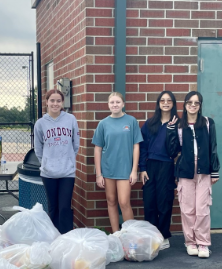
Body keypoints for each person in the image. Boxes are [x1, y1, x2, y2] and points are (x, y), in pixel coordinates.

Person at [166, 91, 220, 258]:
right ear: (185, 105)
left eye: (196, 103)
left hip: (204, 170)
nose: (193, 106)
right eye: (190, 103)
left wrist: (215, 170)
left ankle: (203, 243)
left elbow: (213, 146)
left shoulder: (208, 123)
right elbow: (172, 151)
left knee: (202, 209)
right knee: (187, 209)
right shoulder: (179, 124)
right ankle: (190, 242)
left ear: (200, 105)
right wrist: (170, 132)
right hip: (185, 170)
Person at [92, 92, 143, 232]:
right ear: (108, 105)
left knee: (124, 202)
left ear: (123, 104)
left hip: (125, 170)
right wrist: (99, 174)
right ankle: (116, 235)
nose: (115, 105)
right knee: (111, 201)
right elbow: (97, 149)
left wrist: (134, 170)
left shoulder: (131, 121)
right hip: (108, 169)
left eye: (117, 102)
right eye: (112, 102)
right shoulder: (103, 124)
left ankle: (130, 236)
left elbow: (136, 146)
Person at [34, 89, 80, 234]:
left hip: (67, 171)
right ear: (46, 102)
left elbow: (76, 144)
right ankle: (53, 238)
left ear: (62, 103)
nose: (55, 104)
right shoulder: (40, 123)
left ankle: (66, 237)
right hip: (48, 173)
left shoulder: (70, 119)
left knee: (65, 206)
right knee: (53, 207)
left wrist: (68, 159)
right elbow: (38, 148)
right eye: (52, 100)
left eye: (58, 101)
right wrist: (46, 163)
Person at [139, 91, 178, 241]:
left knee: (164, 202)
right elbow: (142, 147)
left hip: (167, 166)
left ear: (173, 104)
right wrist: (142, 168)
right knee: (149, 202)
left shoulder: (178, 124)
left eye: (169, 100)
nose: (166, 103)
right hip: (150, 166)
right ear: (158, 103)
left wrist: (171, 130)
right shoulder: (150, 123)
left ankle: (163, 236)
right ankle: (151, 237)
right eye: (162, 100)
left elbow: (175, 150)